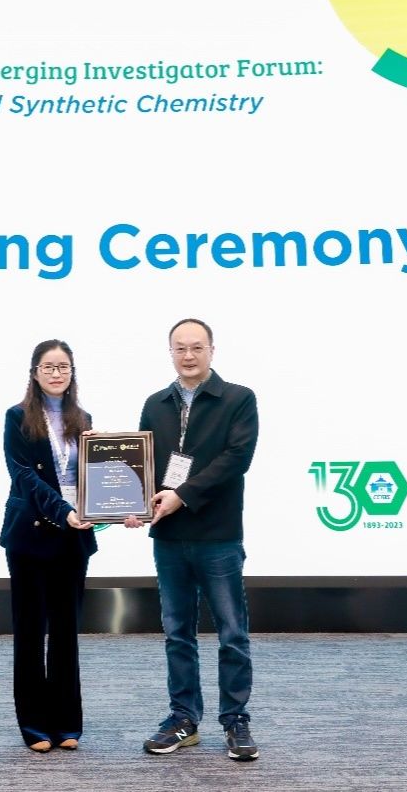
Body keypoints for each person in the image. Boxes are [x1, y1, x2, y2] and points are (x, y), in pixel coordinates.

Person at [126, 318, 260, 761]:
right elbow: (144, 464)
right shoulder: (155, 403)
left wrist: (181, 495)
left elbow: (236, 458)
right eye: (180, 348)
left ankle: (235, 719)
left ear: (211, 351)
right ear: (170, 352)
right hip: (168, 535)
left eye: (197, 347)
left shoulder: (238, 399)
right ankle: (183, 719)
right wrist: (134, 502)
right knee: (177, 633)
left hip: (218, 534)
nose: (188, 355)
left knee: (232, 633)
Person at [0, 339, 97, 753]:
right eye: (48, 367)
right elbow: (23, 475)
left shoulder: (84, 419)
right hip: (31, 535)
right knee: (30, 631)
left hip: (73, 537)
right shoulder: (17, 417)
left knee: (65, 632)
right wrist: (63, 510)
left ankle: (66, 723)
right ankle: (35, 726)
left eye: (63, 367)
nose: (56, 374)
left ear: (72, 373)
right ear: (35, 373)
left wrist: (116, 505)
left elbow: (95, 478)